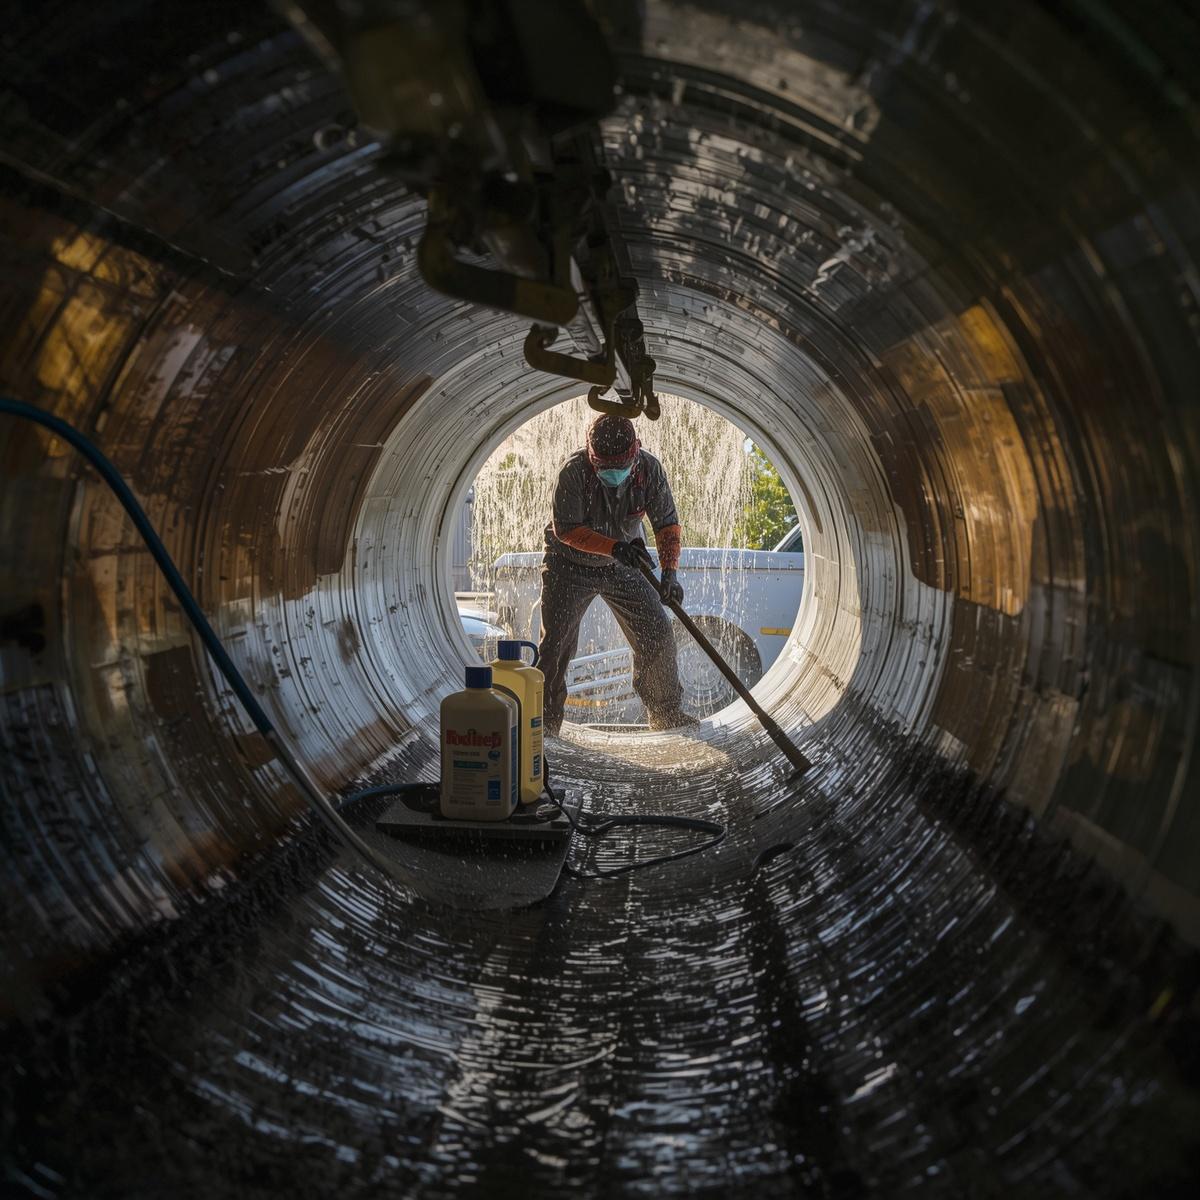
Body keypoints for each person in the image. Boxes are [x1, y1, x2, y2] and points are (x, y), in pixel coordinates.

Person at [538, 413, 699, 735]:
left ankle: (665, 713)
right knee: (556, 644)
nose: (613, 473)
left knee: (657, 633)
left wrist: (670, 575)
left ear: (636, 449)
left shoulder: (649, 469)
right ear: (590, 453)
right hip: (569, 565)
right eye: (604, 467)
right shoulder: (572, 472)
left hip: (623, 566)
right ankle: (544, 722)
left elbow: (666, 524)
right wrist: (614, 547)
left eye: (620, 465)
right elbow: (566, 529)